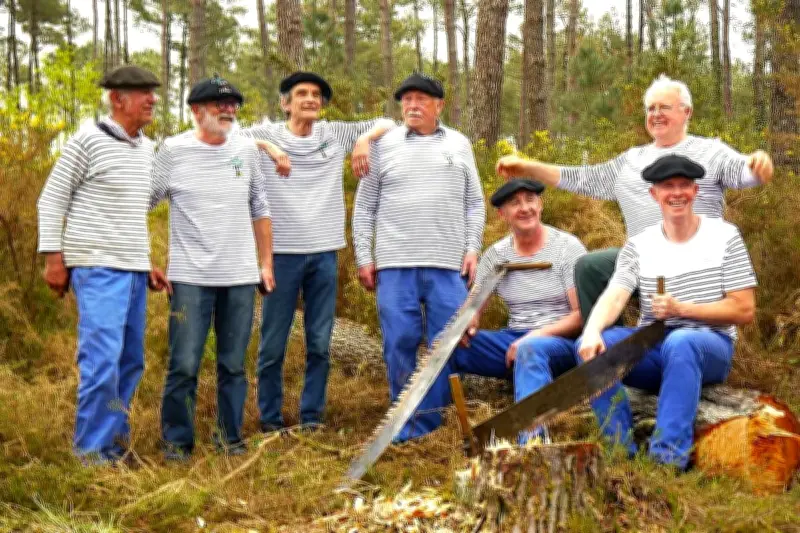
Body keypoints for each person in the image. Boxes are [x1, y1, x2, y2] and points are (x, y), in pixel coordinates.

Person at [496, 74, 772, 323]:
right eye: (650, 108)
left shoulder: (711, 152)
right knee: (591, 266)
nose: (656, 114)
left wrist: (758, 165)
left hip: (695, 264)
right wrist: (527, 167)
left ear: (686, 112)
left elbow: (746, 173)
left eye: (664, 107)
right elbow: (583, 178)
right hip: (644, 261)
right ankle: (606, 346)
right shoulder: (631, 161)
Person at [576, 154, 757, 469]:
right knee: (597, 349)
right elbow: (614, 296)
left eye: (684, 185)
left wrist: (682, 308)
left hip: (709, 346)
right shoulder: (640, 245)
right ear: (654, 195)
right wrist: (591, 332)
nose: (677, 193)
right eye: (667, 186)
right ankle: (621, 455)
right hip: (655, 345)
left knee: (682, 341)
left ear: (695, 191)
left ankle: (667, 461)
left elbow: (743, 309)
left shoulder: (724, 236)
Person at [238, 71, 395, 433]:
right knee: (273, 343)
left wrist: (364, 141)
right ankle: (271, 419)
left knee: (320, 342)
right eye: (301, 94)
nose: (310, 100)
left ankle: (312, 417)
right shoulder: (264, 135)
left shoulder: (334, 134)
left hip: (325, 254)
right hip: (280, 255)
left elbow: (388, 122)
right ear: (285, 103)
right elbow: (227, 138)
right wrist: (267, 148)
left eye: (316, 96)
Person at [36, 65, 163, 463]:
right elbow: (51, 200)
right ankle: (90, 455)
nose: (152, 99)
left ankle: (113, 444)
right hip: (96, 267)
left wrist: (147, 264)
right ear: (117, 99)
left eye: (153, 93)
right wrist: (53, 258)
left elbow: (131, 212)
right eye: (143, 93)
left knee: (130, 360)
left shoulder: (146, 148)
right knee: (102, 360)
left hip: (132, 270)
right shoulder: (87, 140)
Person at [353, 73, 486, 442]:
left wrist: (472, 246)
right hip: (395, 263)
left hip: (447, 265)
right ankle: (406, 423)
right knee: (400, 340)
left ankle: (433, 421)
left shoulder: (459, 144)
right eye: (406, 99)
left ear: (438, 105)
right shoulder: (382, 146)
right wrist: (365, 256)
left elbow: (474, 202)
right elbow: (365, 207)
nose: (412, 105)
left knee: (448, 342)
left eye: (421, 99)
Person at [150, 75, 275, 459]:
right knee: (184, 364)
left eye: (233, 105)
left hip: (239, 277)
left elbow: (260, 207)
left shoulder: (247, 150)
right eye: (220, 105)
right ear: (195, 110)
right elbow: (143, 201)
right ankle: (176, 442)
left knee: (233, 366)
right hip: (189, 279)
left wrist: (266, 263)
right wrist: (145, 259)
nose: (229, 111)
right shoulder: (172, 150)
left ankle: (229, 439)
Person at [452, 179, 586, 441]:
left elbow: (581, 316)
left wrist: (535, 337)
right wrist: (464, 325)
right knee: (448, 346)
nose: (524, 208)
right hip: (515, 340)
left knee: (529, 349)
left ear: (541, 204)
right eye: (515, 203)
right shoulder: (496, 254)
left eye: (530, 200)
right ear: (502, 214)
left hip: (562, 342)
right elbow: (474, 306)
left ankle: (532, 446)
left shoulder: (567, 248)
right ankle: (433, 425)